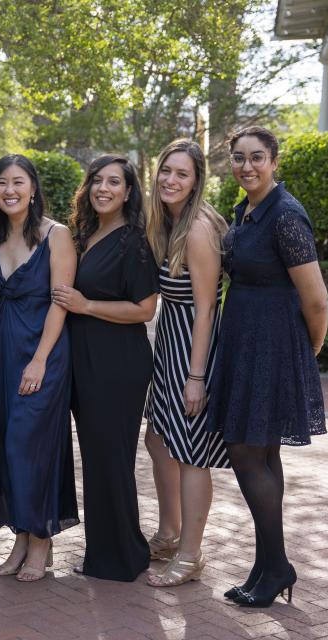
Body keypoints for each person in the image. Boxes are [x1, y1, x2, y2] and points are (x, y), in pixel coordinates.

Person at [205, 126, 328, 608]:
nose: (247, 166)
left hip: (273, 345)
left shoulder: (286, 216)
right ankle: (267, 565)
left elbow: (315, 299)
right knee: (262, 455)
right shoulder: (248, 211)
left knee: (246, 451)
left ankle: (275, 565)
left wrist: (309, 350)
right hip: (247, 341)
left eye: (257, 157)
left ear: (275, 160)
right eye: (239, 158)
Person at [52, 154, 158, 582]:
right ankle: (107, 551)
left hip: (117, 364)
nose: (103, 189)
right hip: (84, 360)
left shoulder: (134, 240)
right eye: (97, 180)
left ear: (129, 192)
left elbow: (145, 309)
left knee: (111, 460)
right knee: (96, 459)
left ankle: (122, 559)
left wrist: (86, 305)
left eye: (114, 182)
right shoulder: (85, 233)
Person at [141, 140, 230, 588]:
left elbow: (206, 309)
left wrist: (196, 377)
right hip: (170, 347)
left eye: (182, 174)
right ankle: (171, 533)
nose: (170, 180)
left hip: (197, 351)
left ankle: (191, 554)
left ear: (196, 181)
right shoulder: (168, 223)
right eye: (166, 171)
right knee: (158, 441)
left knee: (192, 453)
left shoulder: (197, 229)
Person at [0, 154, 78, 582]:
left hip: (43, 353)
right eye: (2, 183)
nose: (10, 190)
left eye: (18, 182)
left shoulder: (56, 235)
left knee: (31, 446)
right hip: (1, 353)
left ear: (33, 188)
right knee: (7, 446)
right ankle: (21, 536)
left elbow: (62, 302)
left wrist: (39, 360)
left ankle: (42, 540)